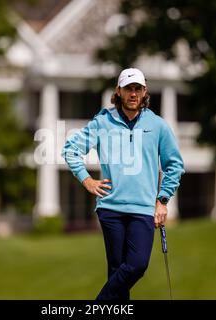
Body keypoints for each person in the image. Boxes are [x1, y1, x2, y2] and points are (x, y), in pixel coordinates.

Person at [62, 68, 184, 300]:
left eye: (138, 88)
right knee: (118, 275)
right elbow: (70, 150)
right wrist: (86, 180)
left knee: (137, 265)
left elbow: (174, 165)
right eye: (128, 89)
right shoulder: (102, 122)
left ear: (145, 91)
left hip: (143, 210)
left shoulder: (157, 125)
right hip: (110, 209)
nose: (133, 93)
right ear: (118, 91)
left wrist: (163, 200)